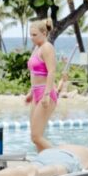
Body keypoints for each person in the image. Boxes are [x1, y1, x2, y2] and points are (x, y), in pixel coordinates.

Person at [26, 18, 64, 151]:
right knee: (35, 137)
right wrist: (31, 93)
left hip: (45, 92)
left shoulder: (47, 47)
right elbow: (34, 73)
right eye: (30, 35)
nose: (32, 38)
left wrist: (47, 95)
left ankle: (62, 157)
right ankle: (43, 163)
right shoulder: (37, 48)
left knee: (36, 136)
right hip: (36, 93)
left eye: (34, 35)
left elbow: (51, 71)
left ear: (44, 33)